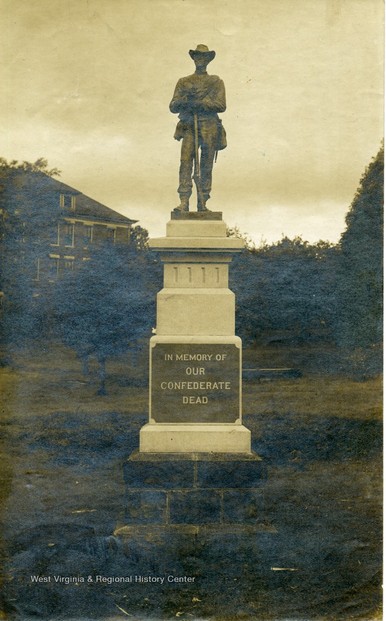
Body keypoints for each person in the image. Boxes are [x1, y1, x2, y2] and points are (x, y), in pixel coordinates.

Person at [170, 44, 227, 212]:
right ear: (194, 59)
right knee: (185, 162)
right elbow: (173, 106)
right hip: (188, 125)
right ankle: (184, 201)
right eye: (198, 57)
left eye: (204, 57)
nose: (201, 60)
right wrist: (186, 102)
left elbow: (221, 104)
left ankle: (203, 201)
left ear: (208, 60)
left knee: (206, 164)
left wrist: (201, 103)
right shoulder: (183, 82)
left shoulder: (216, 82)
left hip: (209, 126)